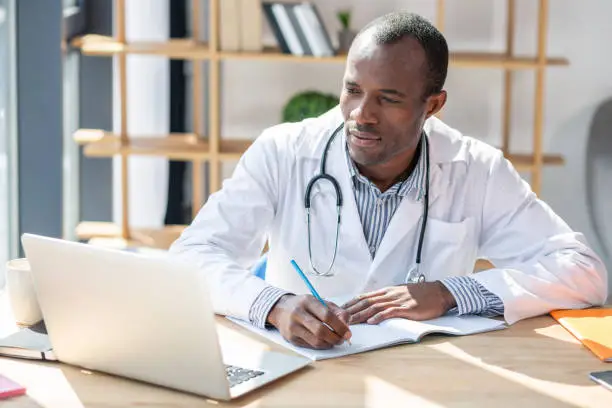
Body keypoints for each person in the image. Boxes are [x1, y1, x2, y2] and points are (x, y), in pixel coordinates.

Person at [169, 11, 608, 350]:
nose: (361, 115)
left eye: (389, 99)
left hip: (424, 374)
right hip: (299, 367)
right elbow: (191, 256)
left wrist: (450, 293)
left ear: (433, 104)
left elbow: (584, 272)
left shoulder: (476, 168)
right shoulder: (284, 151)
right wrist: (273, 305)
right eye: (353, 90)